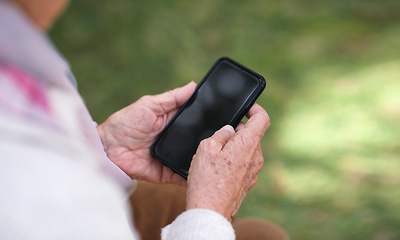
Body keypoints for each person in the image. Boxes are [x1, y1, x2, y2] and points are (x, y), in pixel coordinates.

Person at [0, 0, 288, 239]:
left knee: (179, 200)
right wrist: (212, 209)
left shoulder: (16, 58)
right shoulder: (40, 203)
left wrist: (104, 146)